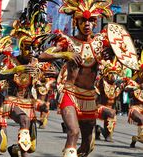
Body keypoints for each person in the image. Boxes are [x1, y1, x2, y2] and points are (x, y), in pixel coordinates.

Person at [38, 0, 114, 156]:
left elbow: (119, 54)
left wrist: (110, 54)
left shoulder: (101, 42)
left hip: (89, 96)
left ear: (95, 23)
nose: (87, 24)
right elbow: (43, 55)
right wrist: (65, 54)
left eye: (91, 20)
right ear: (76, 21)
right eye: (83, 20)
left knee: (87, 144)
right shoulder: (68, 42)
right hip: (70, 94)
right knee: (73, 132)